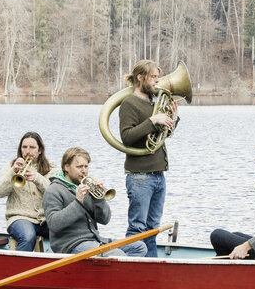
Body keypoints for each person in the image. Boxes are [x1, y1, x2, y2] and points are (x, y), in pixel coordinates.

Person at [118, 59, 177, 257]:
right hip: (140, 176)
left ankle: (150, 266)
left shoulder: (154, 102)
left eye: (157, 77)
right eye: (153, 77)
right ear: (140, 78)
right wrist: (152, 120)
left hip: (159, 175)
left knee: (152, 229)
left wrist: (172, 119)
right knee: (137, 229)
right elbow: (127, 137)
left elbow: (161, 137)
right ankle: (130, 268)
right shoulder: (129, 104)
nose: (157, 82)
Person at [43, 147, 146, 257]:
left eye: (86, 166)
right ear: (66, 167)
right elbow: (54, 224)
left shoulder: (86, 186)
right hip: (70, 244)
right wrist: (78, 202)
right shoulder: (54, 190)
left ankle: (113, 273)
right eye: (79, 167)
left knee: (139, 247)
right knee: (117, 254)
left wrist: (99, 199)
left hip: (94, 239)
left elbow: (105, 220)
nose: (84, 171)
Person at [0, 132, 56, 252]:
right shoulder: (10, 167)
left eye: (32, 147)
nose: (28, 151)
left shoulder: (51, 169)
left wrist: (37, 178)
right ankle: (18, 269)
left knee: (67, 232)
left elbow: (54, 194)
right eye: (24, 147)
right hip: (19, 217)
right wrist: (13, 172)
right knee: (27, 237)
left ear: (40, 150)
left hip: (45, 219)